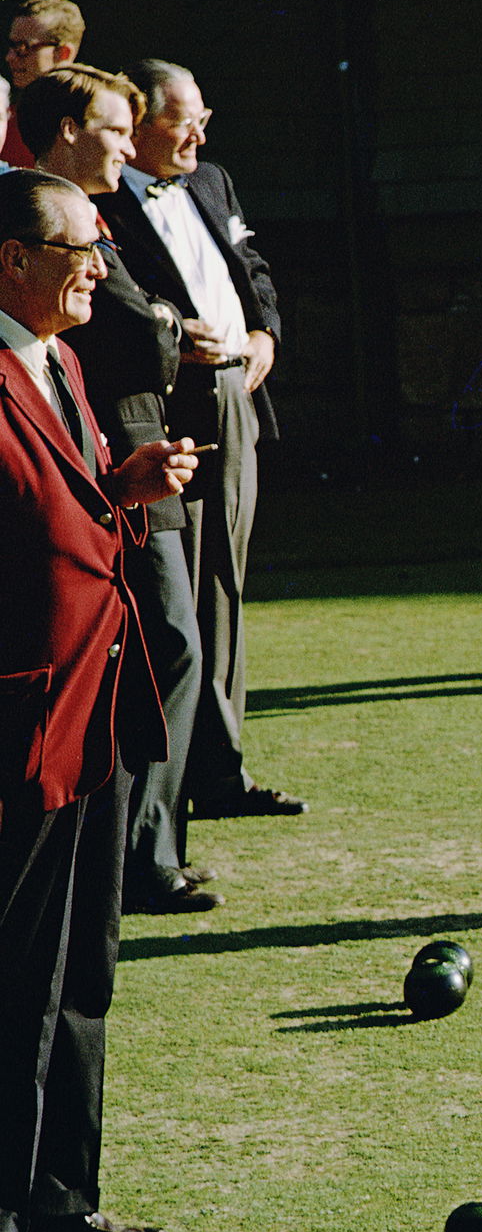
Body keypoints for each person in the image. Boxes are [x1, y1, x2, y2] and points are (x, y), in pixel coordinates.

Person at [0, 169, 200, 1232]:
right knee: (8, 979)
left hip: (96, 713)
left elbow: (63, 515)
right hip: (19, 722)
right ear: (11, 261)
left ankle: (60, 1199)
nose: (97, 264)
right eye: (77, 247)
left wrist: (123, 487)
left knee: (83, 969)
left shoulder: (63, 359)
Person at [18, 64, 218, 916]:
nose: (129, 148)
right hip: (82, 463)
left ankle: (140, 846)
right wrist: (176, 326)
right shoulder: (46, 218)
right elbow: (141, 332)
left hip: (125, 463)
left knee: (167, 643)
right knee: (160, 643)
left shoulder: (101, 218)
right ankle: (133, 849)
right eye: (111, 129)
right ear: (66, 131)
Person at [95, 59, 305, 821]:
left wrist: (265, 333)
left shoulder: (211, 180)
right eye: (183, 118)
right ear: (139, 123)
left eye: (203, 115)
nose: (200, 131)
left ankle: (221, 771)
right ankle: (170, 782)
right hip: (166, 405)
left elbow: (252, 268)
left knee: (226, 585)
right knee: (176, 595)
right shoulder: (103, 197)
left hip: (237, 395)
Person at [3, 0, 83, 169]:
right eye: (11, 46)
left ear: (63, 53)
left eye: (23, 48)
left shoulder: (91, 124)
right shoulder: (5, 118)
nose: (9, 57)